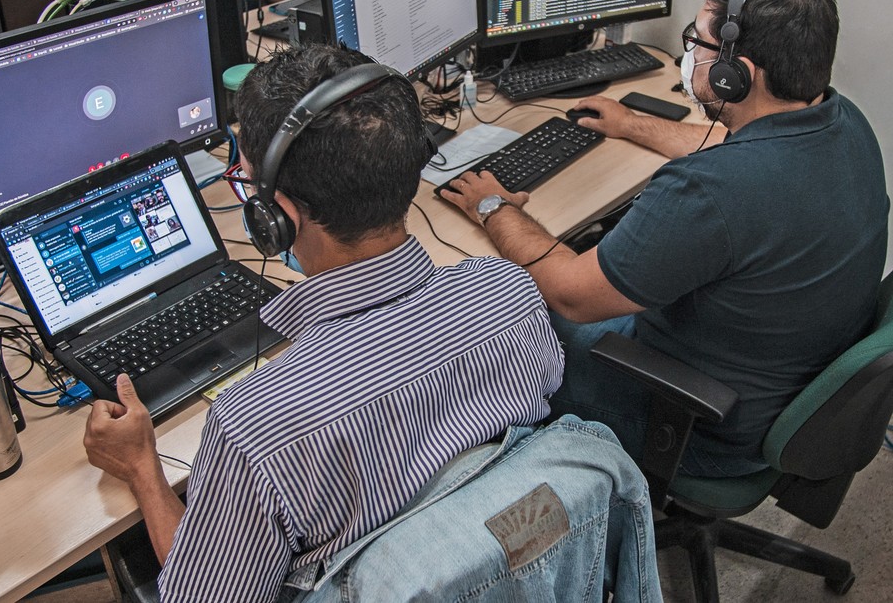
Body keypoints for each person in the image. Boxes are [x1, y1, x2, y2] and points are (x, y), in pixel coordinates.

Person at [83, 44, 566, 602]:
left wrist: (142, 466)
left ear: (276, 220)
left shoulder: (252, 426)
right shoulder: (509, 292)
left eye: (247, 183)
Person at [442, 0, 889, 478]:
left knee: (500, 315)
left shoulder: (710, 190)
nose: (688, 55)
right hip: (777, 385)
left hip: (694, 421)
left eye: (697, 43)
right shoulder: (844, 121)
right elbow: (738, 148)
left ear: (736, 73)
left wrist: (493, 207)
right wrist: (633, 124)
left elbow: (569, 294)